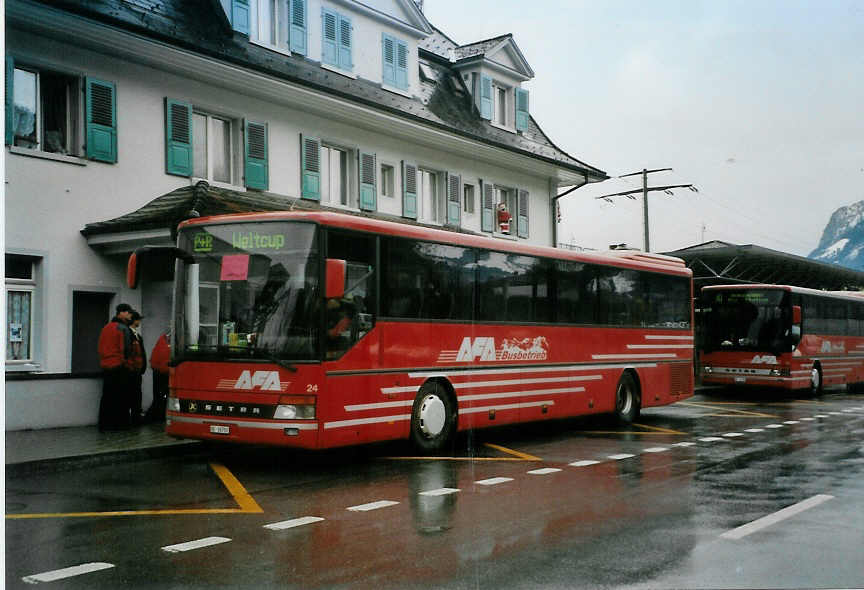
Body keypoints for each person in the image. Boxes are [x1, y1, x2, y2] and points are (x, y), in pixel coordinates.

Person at [97, 303, 136, 430]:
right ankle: (119, 424)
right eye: (129, 312)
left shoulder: (106, 327)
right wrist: (129, 365)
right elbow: (126, 350)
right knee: (121, 397)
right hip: (119, 366)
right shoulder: (123, 328)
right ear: (122, 313)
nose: (130, 315)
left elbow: (100, 347)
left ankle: (104, 424)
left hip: (106, 366)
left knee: (107, 396)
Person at [128, 311, 147, 424]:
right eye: (138, 319)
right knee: (134, 393)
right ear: (134, 320)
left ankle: (136, 416)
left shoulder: (137, 335)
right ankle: (135, 417)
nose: (139, 321)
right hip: (133, 369)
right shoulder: (129, 334)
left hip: (137, 369)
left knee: (137, 393)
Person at [147, 330, 170, 421]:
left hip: (158, 370)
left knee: (158, 396)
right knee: (162, 396)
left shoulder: (162, 339)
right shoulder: (167, 341)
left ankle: (155, 415)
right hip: (163, 372)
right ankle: (158, 415)